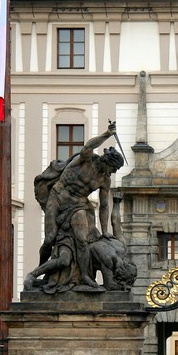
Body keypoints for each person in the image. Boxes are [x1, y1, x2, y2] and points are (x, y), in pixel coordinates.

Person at [33, 123, 124, 290]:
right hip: (58, 197)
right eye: (113, 169)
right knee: (49, 239)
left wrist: (104, 231)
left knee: (82, 240)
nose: (112, 172)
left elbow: (104, 206)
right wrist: (107, 134)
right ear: (107, 162)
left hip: (78, 205)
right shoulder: (87, 159)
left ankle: (84, 276)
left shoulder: (104, 179)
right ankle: (42, 272)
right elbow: (88, 146)